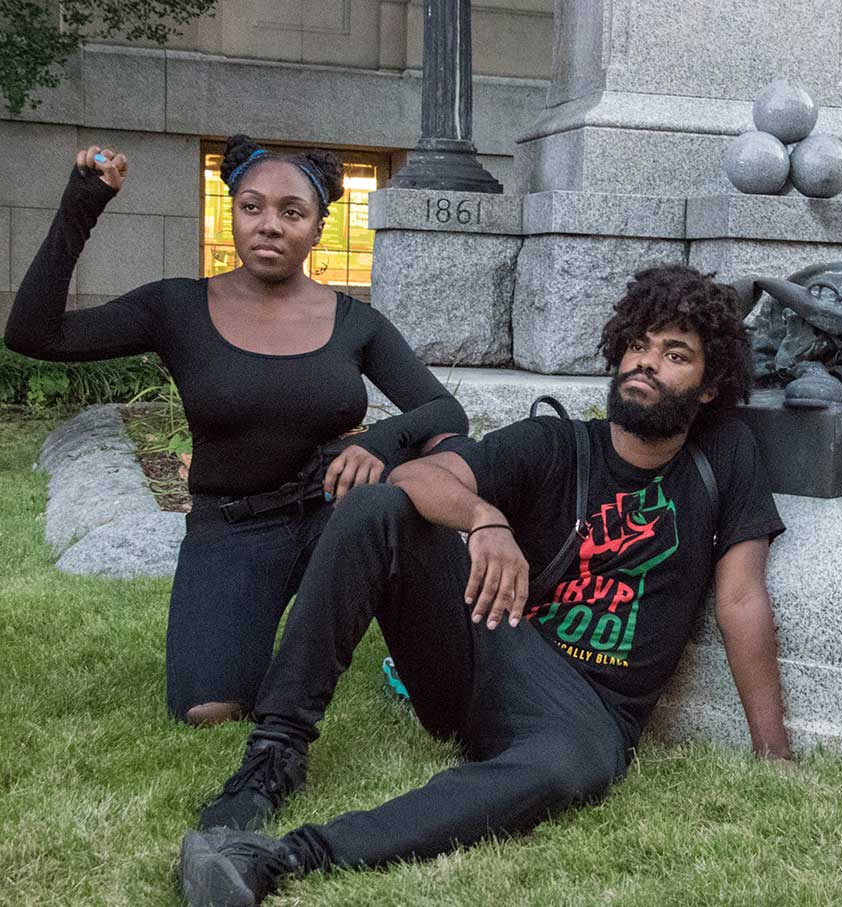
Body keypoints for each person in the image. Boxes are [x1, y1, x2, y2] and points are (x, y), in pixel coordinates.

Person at [175, 265, 792, 906]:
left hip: (587, 710)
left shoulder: (723, 458)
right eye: (639, 345)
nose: (646, 364)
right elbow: (416, 475)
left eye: (675, 356)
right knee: (374, 508)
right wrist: (483, 518)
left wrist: (772, 756)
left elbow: (742, 599)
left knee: (570, 767)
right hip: (488, 650)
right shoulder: (555, 445)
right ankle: (273, 757)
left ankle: (282, 858)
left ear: (711, 385)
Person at [5, 136, 467, 726]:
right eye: (252, 207)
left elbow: (441, 411)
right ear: (234, 215)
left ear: (317, 229)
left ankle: (421, 649)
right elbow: (33, 336)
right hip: (235, 525)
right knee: (209, 710)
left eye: (291, 212)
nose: (269, 225)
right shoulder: (175, 307)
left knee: (406, 528)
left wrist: (376, 441)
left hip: (335, 514)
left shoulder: (355, 322)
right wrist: (83, 202)